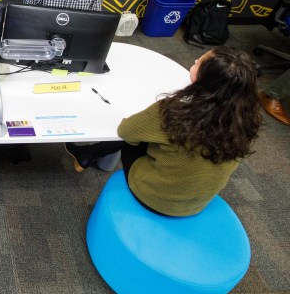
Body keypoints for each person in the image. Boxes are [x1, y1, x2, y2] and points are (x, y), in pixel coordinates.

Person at [65, 46, 262, 217]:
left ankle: (88, 153)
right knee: (161, 138)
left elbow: (126, 131)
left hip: (154, 198)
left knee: (134, 137)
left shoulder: (174, 112)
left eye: (199, 62)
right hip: (197, 204)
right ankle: (87, 154)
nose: (195, 60)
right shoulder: (246, 119)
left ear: (205, 79)